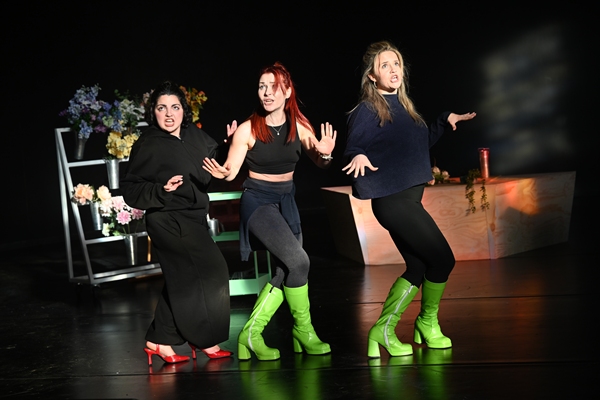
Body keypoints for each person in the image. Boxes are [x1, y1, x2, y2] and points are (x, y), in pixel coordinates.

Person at [342, 41, 476, 358]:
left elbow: (417, 146)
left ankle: (383, 331)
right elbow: (354, 146)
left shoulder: (405, 107)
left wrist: (443, 120)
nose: (393, 70)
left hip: (408, 199)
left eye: (397, 63)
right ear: (372, 76)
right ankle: (427, 324)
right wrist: (357, 154)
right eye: (385, 65)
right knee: (443, 260)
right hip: (394, 201)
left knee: (418, 266)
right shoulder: (368, 109)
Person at [203, 62, 336, 361]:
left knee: (286, 269)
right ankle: (304, 330)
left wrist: (326, 153)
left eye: (273, 87)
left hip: (286, 201)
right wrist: (224, 172)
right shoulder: (248, 129)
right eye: (262, 87)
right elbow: (231, 169)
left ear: (287, 91)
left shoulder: (300, 126)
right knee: (299, 262)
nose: (266, 93)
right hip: (258, 202)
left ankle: (250, 334)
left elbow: (321, 162)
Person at [121, 81, 235, 365]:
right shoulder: (148, 144)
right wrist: (161, 190)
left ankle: (158, 340)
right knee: (213, 270)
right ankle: (205, 340)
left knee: (182, 278)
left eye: (175, 107)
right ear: (153, 112)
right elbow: (131, 190)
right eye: (162, 108)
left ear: (184, 110)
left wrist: (230, 147)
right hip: (167, 218)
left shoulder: (195, 136)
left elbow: (212, 167)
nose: (169, 114)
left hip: (193, 218)